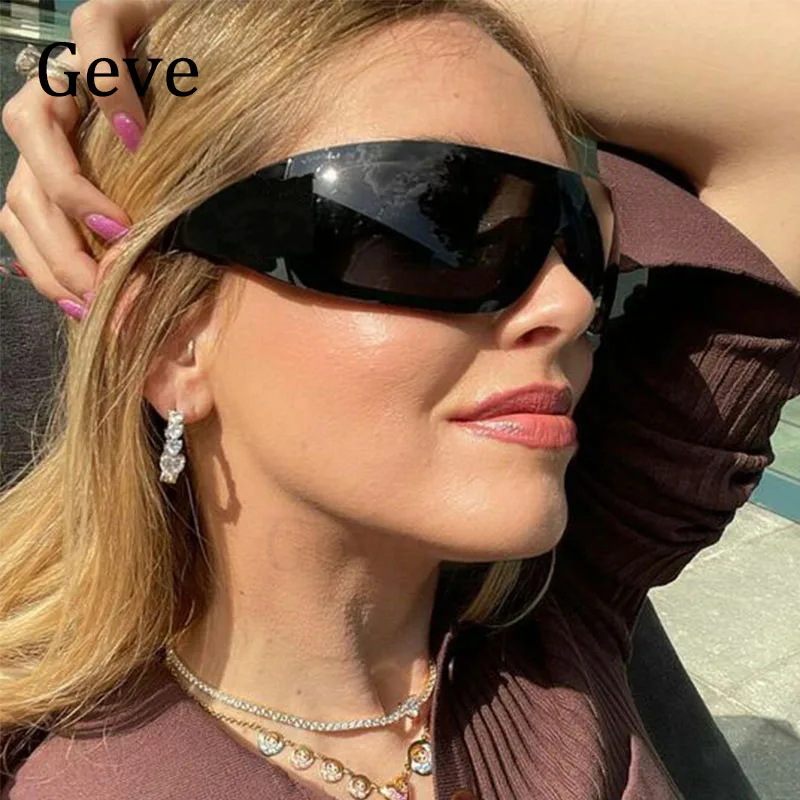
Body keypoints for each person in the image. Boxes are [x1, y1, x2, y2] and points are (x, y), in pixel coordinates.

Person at [1, 1, 799, 798]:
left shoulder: (555, 605)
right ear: (173, 340)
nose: (570, 301)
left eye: (580, 239)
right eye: (435, 228)